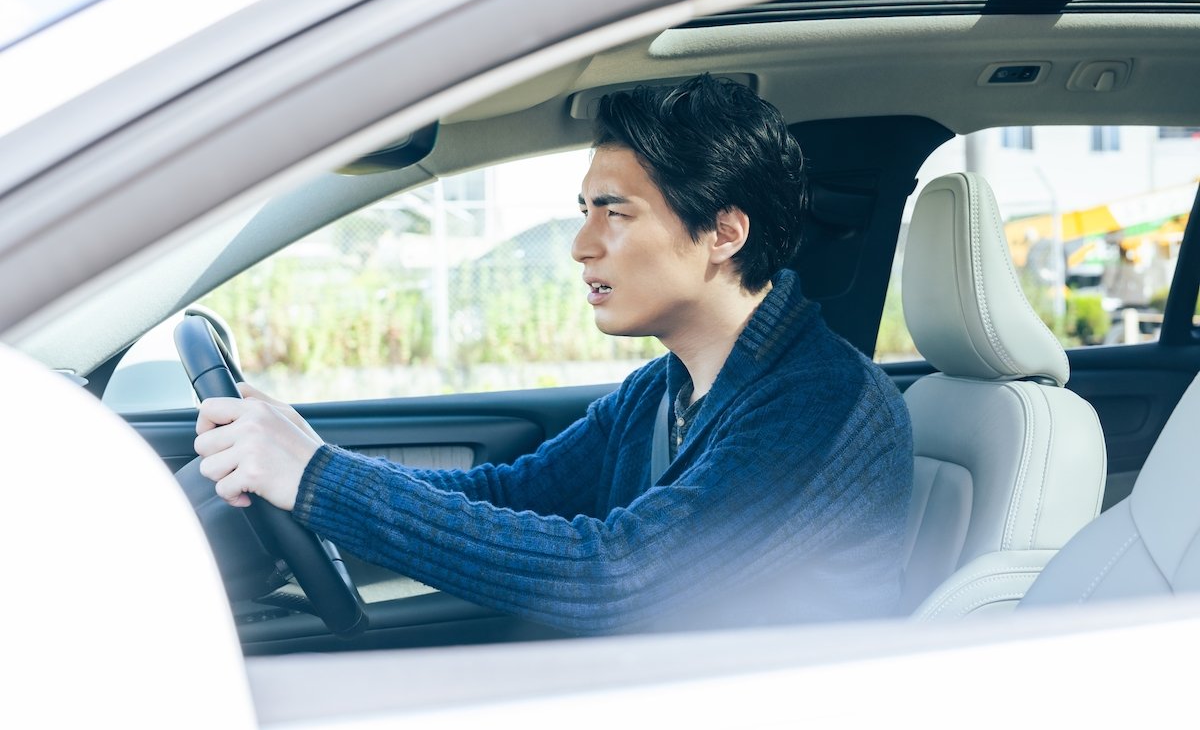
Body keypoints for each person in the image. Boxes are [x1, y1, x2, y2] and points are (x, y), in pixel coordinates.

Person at [194, 74, 913, 634]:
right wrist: (316, 465)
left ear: (724, 233)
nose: (582, 245)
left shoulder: (826, 408)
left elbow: (621, 578)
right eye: (584, 211)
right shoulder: (663, 391)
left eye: (616, 213)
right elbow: (508, 494)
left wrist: (320, 482)